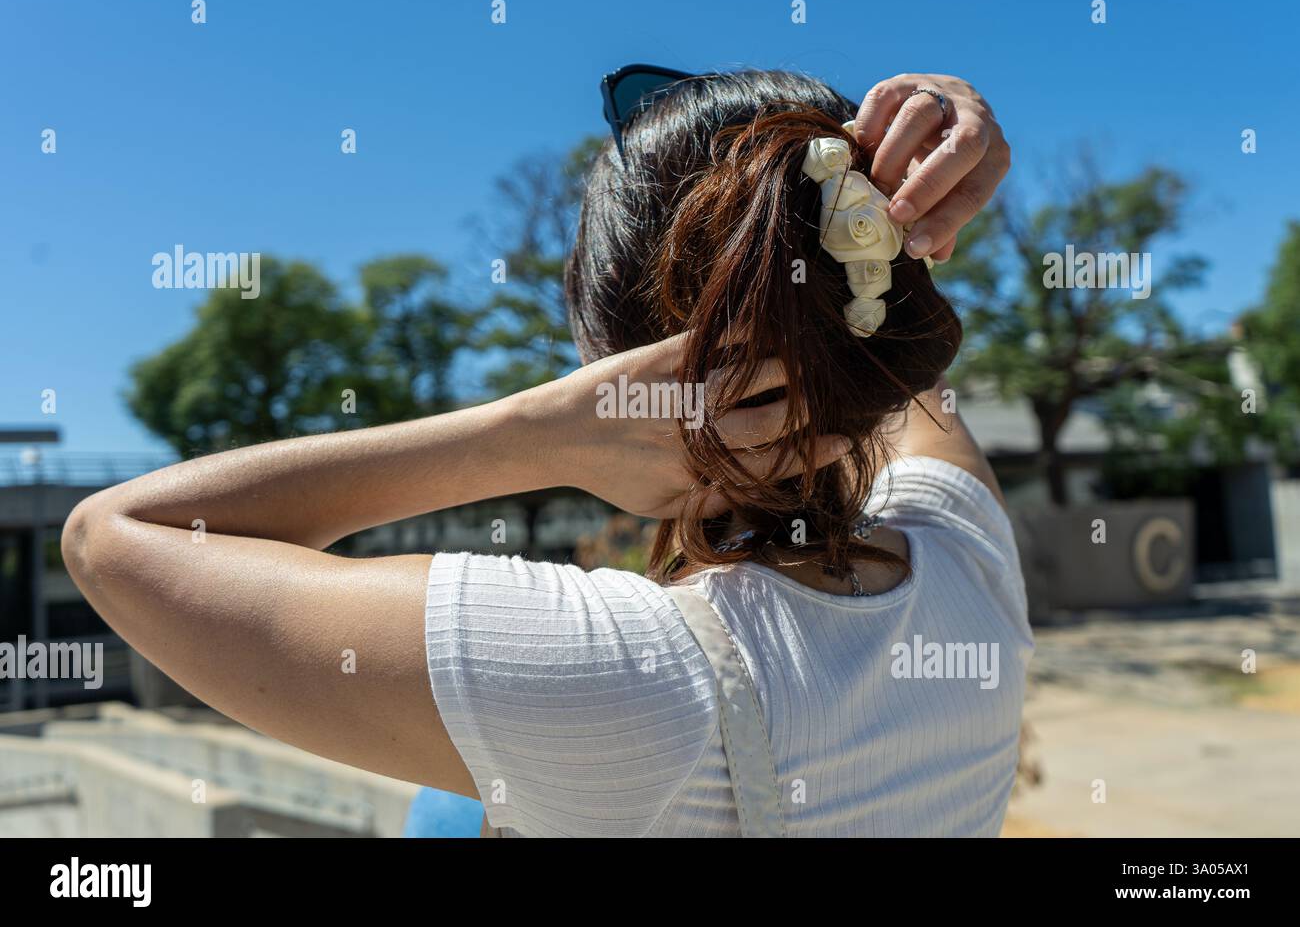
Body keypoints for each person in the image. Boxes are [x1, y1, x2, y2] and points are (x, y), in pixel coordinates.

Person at [62, 68, 1029, 837]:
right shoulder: (966, 563)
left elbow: (114, 534)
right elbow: (891, 367)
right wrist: (912, 175)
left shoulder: (621, 677)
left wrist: (534, 431)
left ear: (606, 367)